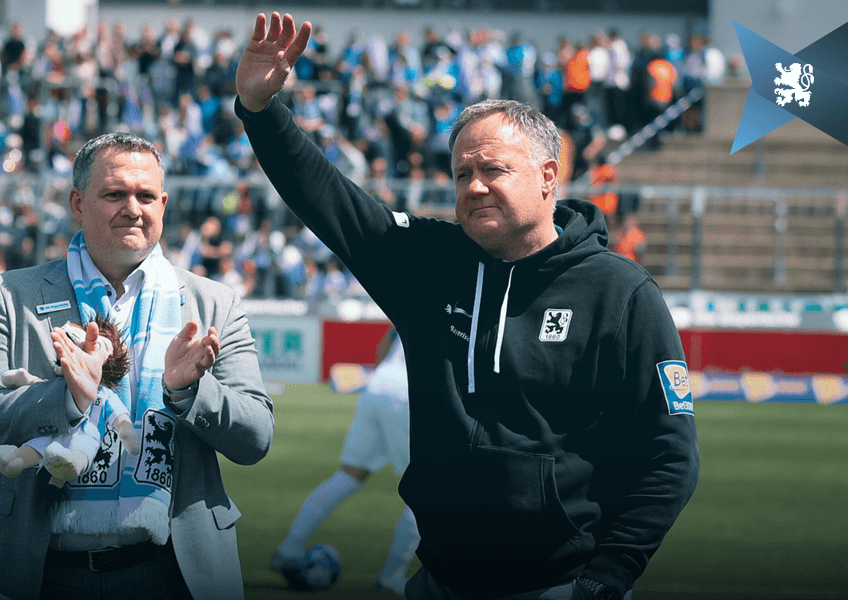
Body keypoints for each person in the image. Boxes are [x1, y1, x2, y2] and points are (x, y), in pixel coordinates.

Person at [234, 13, 699, 600]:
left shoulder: (621, 292)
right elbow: (329, 200)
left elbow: (670, 453)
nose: (474, 186)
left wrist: (608, 577)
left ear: (548, 176)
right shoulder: (429, 264)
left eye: (493, 170)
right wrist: (260, 109)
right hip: (439, 583)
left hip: (564, 586)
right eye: (462, 173)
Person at [0, 132, 273, 600]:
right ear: (78, 203)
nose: (133, 208)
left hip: (176, 571)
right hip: (41, 569)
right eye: (115, 194)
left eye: (146, 196)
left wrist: (189, 392)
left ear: (163, 203)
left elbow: (256, 436)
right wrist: (65, 398)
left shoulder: (214, 303)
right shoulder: (11, 294)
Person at [269, 328, 419, 595]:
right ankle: (392, 576)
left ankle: (288, 550)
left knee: (350, 474)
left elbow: (385, 344)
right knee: (426, 490)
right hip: (410, 393)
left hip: (379, 386)